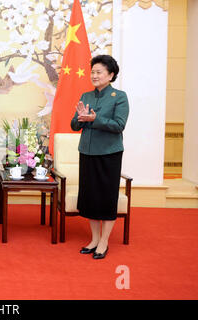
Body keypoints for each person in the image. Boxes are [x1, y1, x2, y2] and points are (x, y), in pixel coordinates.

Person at [71, 55, 129, 260]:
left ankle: (104, 241)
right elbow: (74, 125)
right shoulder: (86, 96)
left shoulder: (119, 96)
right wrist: (79, 118)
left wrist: (95, 119)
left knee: (106, 197)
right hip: (87, 152)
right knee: (90, 198)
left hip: (109, 154)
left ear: (111, 75)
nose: (94, 76)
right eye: (92, 72)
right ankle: (94, 239)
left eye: (99, 72)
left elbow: (119, 125)